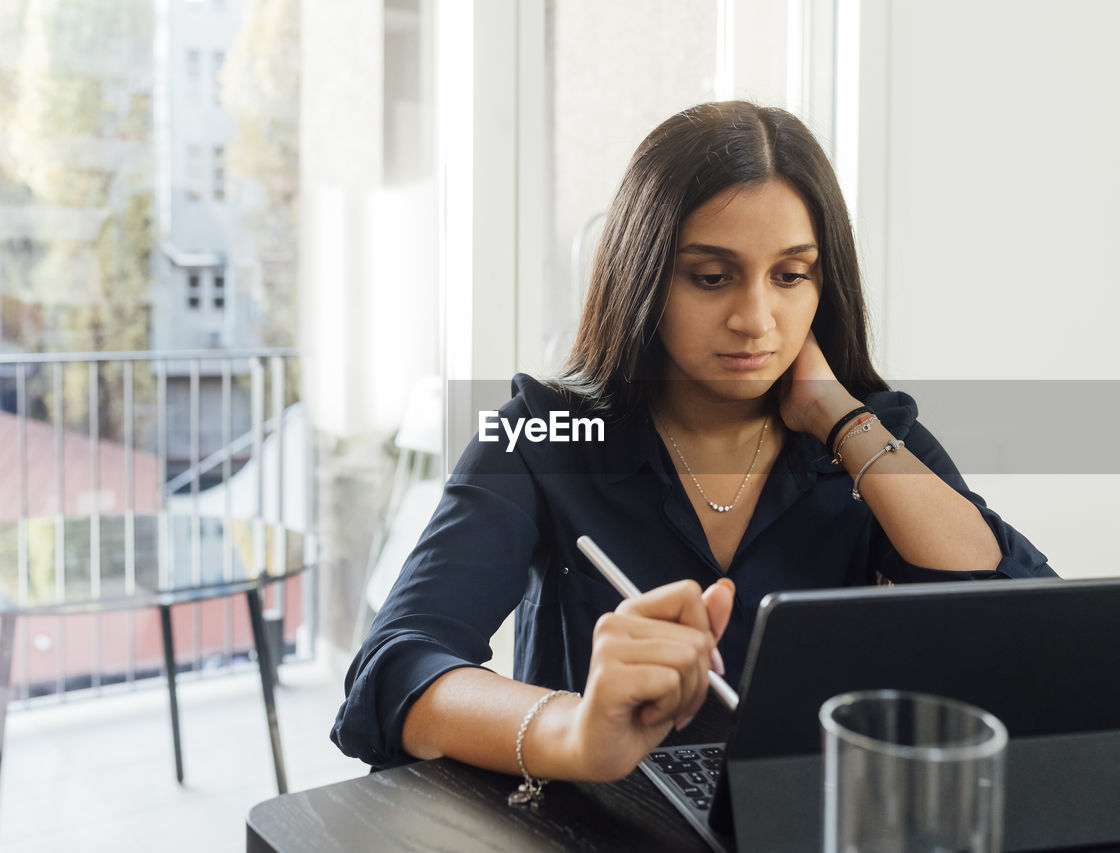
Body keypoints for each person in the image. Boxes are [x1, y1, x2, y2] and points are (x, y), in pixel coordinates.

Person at [331, 101, 1053, 789]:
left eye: (791, 275)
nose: (756, 318)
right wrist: (575, 733)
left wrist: (839, 415)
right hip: (600, 825)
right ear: (644, 276)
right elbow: (396, 668)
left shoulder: (868, 437)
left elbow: (1035, 630)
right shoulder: (545, 432)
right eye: (712, 277)